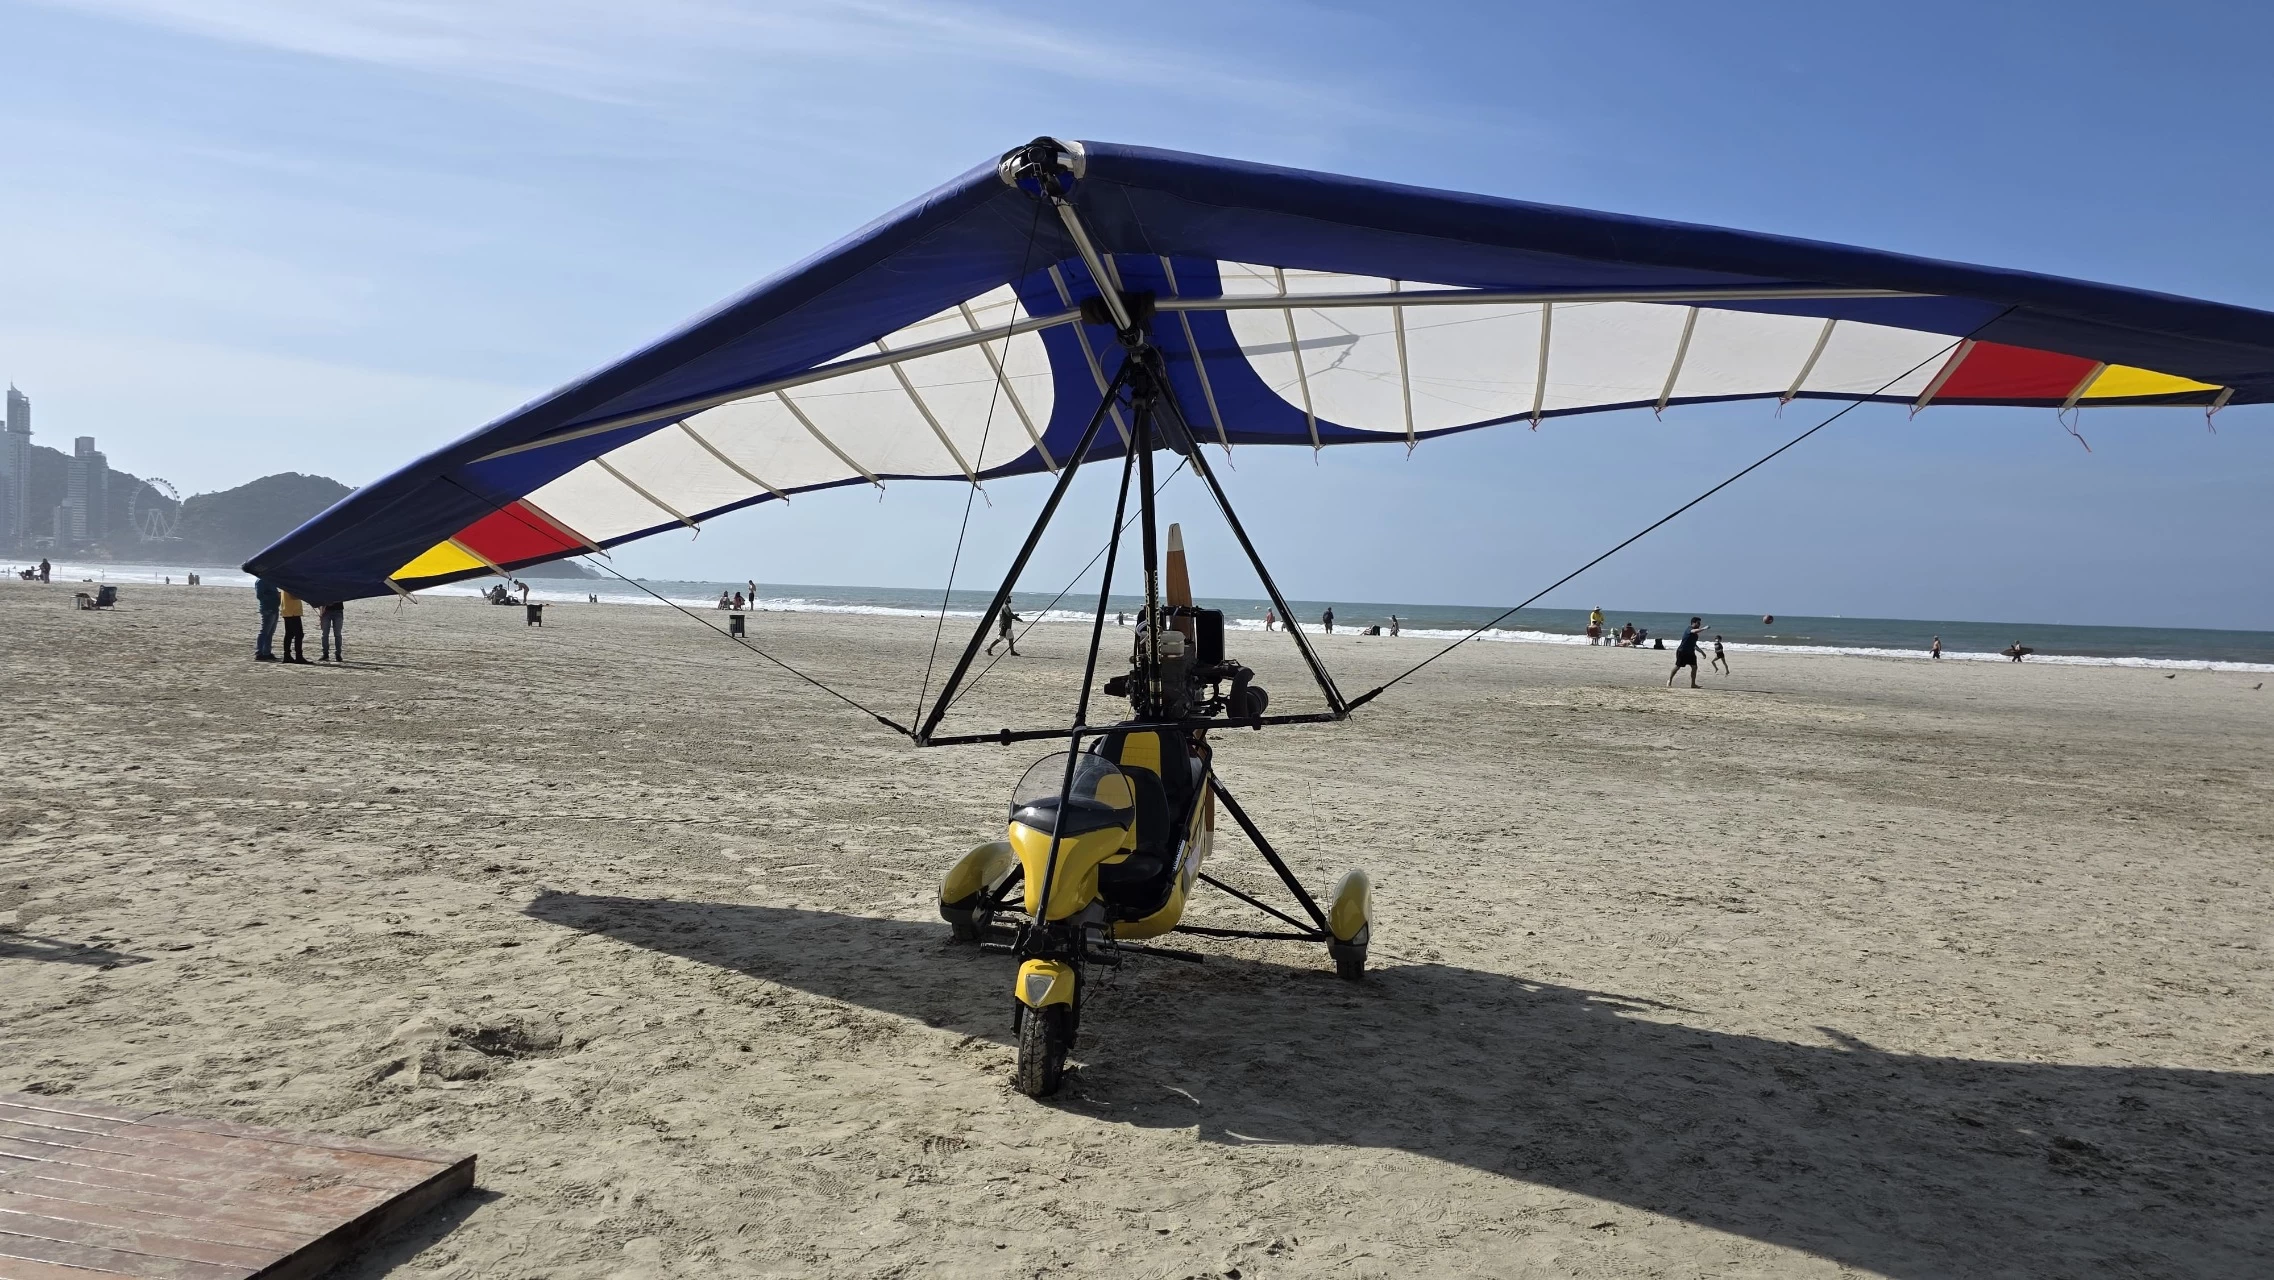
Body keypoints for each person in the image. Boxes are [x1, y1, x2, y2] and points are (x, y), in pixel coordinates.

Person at [1668, 617, 1702, 688]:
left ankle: (1693, 684)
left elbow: (1694, 644)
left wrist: (1702, 652)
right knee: (1678, 666)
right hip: (1682, 651)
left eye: (1699, 623)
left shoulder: (1695, 635)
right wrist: (1704, 629)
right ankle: (1669, 680)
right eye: (1698, 623)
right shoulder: (1689, 629)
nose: (1699, 624)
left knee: (1694, 667)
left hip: (1691, 652)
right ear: (1693, 623)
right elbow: (1694, 631)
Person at [254, 578, 280, 662]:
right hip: (267, 609)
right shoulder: (261, 580)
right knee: (265, 631)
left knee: (270, 632)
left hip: (274, 608)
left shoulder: (270, 580)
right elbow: (260, 595)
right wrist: (275, 596)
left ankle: (266, 652)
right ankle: (259, 652)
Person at [279, 589, 308, 663]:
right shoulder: (289, 585)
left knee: (289, 634)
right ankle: (299, 657)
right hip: (293, 612)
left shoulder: (284, 584)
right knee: (299, 635)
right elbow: (293, 596)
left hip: (287, 611)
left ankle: (287, 655)